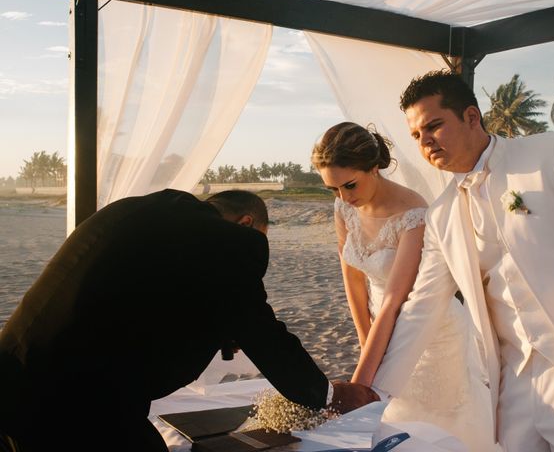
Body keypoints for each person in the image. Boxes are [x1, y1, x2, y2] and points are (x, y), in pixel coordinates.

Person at [372, 70, 554, 451]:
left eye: (434, 125)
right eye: (416, 135)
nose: (425, 141)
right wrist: (375, 391)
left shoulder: (553, 154)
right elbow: (421, 308)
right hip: (513, 384)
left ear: (470, 117)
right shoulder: (441, 214)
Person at [0, 188, 378, 452]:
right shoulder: (231, 243)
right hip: (77, 406)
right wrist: (329, 394)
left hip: (12, 377)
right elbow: (264, 334)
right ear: (247, 224)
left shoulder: (141, 209)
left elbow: (145, 297)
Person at [311, 122, 497, 451]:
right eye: (333, 189)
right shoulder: (344, 208)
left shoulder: (413, 213)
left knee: (430, 426)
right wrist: (365, 339)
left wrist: (360, 383)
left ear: (374, 167)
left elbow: (395, 301)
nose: (343, 197)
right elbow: (353, 279)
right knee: (390, 420)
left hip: (428, 333)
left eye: (350, 185)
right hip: (375, 325)